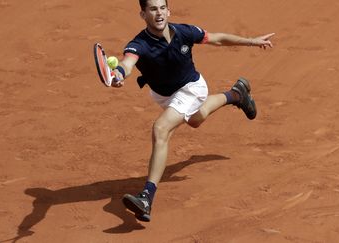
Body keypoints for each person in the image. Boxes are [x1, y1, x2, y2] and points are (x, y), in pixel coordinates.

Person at [111, 0, 274, 222]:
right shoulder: (139, 44)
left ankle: (147, 197)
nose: (158, 13)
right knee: (196, 119)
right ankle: (237, 94)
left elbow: (217, 38)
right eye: (152, 9)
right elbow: (127, 63)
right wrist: (119, 74)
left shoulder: (184, 32)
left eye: (161, 8)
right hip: (164, 94)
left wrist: (252, 41)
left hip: (192, 88)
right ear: (143, 14)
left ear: (168, 11)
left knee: (161, 129)